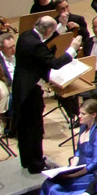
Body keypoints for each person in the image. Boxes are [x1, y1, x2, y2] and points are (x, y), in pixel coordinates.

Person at [32, 99, 97, 195]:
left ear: (94, 114)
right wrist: (73, 164)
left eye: (83, 114)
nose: (79, 116)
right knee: (48, 183)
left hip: (88, 175)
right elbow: (78, 151)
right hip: (77, 170)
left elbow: (95, 163)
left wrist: (74, 174)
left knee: (55, 189)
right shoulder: (84, 128)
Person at [14, 17, 73, 173]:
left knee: (25, 128)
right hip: (31, 92)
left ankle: (27, 160)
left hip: (21, 87)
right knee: (35, 128)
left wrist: (60, 28)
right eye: (52, 31)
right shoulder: (36, 45)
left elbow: (42, 43)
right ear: (47, 31)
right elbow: (54, 64)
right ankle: (36, 164)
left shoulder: (26, 36)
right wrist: (72, 50)